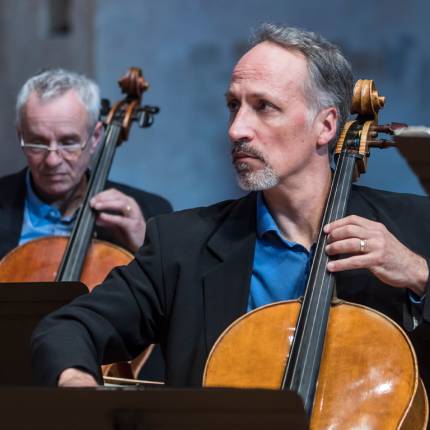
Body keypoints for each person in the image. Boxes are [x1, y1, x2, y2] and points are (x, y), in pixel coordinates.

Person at [31, 25, 430, 392]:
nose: (236, 129)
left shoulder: (413, 226)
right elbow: (67, 329)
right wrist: (76, 382)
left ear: (325, 126)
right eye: (233, 105)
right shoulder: (181, 245)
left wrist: (419, 276)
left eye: (264, 106)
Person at [0, 68, 172, 259]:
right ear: (20, 136)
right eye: (38, 142)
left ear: (96, 137)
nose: (52, 160)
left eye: (68, 142)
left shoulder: (152, 213)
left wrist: (147, 250)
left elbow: (177, 288)